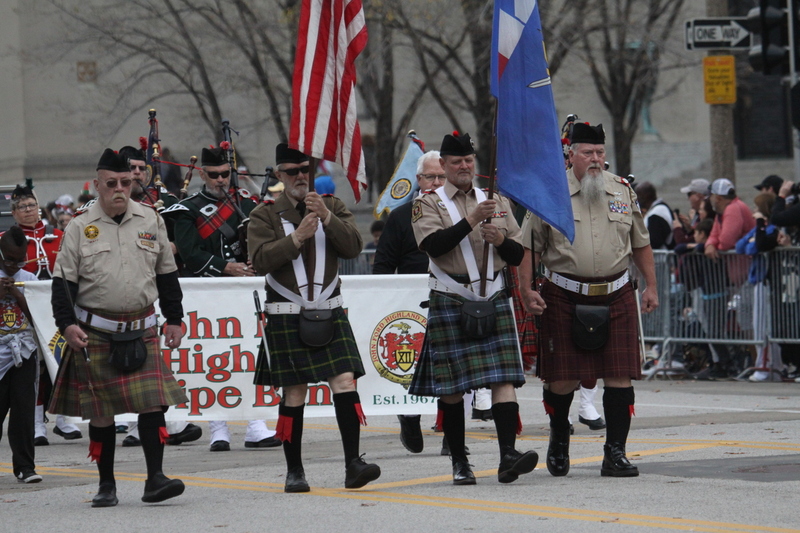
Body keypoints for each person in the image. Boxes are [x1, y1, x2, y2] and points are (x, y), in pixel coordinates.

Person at [49, 148, 188, 507]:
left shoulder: (150, 219)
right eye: (111, 183)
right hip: (97, 332)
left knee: (153, 403)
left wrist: (175, 318)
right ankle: (106, 484)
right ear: (97, 185)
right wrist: (66, 325)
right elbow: (63, 284)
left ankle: (155, 478)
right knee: (101, 412)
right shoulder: (79, 226)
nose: (119, 189)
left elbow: (167, 273)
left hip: (142, 327)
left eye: (125, 182)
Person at [519, 122, 659, 478]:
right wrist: (526, 290)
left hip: (616, 293)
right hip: (564, 294)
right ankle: (559, 436)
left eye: (599, 152)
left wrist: (652, 287)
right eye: (587, 153)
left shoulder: (622, 191)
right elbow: (528, 247)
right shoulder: (550, 191)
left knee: (620, 375)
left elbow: (641, 243)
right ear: (571, 155)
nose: (595, 159)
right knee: (562, 380)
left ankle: (615, 452)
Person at [248, 143, 381, 492]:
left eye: (305, 170)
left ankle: (353, 463)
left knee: (345, 381)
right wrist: (297, 237)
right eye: (292, 172)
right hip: (287, 313)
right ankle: (294, 471)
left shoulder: (331, 206)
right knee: (294, 392)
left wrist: (326, 218)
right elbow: (259, 261)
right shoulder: (265, 215)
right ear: (280, 175)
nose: (300, 177)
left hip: (328, 310)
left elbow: (353, 246)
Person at [410, 131, 537, 486]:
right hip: (451, 296)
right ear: (444, 165)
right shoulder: (429, 203)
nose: (464, 166)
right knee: (452, 387)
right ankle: (460, 461)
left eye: (468, 160)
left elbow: (517, 254)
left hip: (492, 295)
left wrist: (500, 239)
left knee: (503, 378)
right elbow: (434, 245)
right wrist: (470, 222)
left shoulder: (496, 200)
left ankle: (508, 455)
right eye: (456, 162)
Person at [164, 144, 279, 451]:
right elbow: (189, 253)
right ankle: (218, 428)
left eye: (225, 174)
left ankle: (255, 424)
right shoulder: (187, 209)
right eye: (214, 175)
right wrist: (227, 267)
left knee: (249, 356)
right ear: (203, 175)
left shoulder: (248, 204)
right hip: (210, 295)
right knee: (214, 360)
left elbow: (265, 240)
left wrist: (257, 260)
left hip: (246, 294)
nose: (220, 180)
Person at [115, 144, 202, 448]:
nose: (138, 173)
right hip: (118, 300)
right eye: (132, 168)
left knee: (153, 367)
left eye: (142, 168)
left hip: (155, 295)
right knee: (127, 367)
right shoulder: (104, 211)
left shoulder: (164, 205)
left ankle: (165, 425)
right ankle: (135, 426)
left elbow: (184, 248)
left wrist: (171, 246)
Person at [8, 184, 83, 446]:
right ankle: (37, 422)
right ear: (14, 213)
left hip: (60, 307)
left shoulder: (59, 235)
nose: (28, 210)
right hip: (25, 310)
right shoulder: (7, 239)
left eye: (32, 205)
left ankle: (65, 418)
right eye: (22, 207)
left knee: (64, 360)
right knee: (35, 366)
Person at [0, 227, 42, 483]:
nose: (14, 266)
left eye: (19, 261)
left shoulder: (29, 279)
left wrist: (17, 294)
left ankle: (25, 467)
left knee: (23, 412)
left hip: (24, 351)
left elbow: (39, 320)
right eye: (9, 260)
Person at [635, 181, 674, 250]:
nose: (636, 200)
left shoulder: (657, 213)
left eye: (637, 196)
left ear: (645, 196)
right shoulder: (656, 210)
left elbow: (655, 242)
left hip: (660, 255)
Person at [674, 178, 709, 245]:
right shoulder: (697, 215)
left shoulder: (708, 216)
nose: (688, 198)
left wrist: (677, 228)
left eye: (689, 194)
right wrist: (690, 228)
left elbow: (683, 243)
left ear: (699, 195)